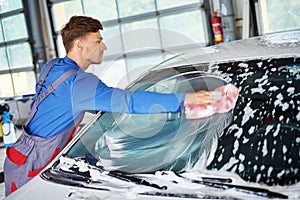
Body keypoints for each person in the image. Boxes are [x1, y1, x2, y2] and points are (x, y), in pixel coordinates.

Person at [3, 15, 215, 196]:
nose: (103, 46)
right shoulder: (81, 83)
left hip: (18, 157)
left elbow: (55, 103)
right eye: (98, 41)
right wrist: (186, 99)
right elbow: (128, 101)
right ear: (79, 44)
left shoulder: (52, 67)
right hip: (33, 167)